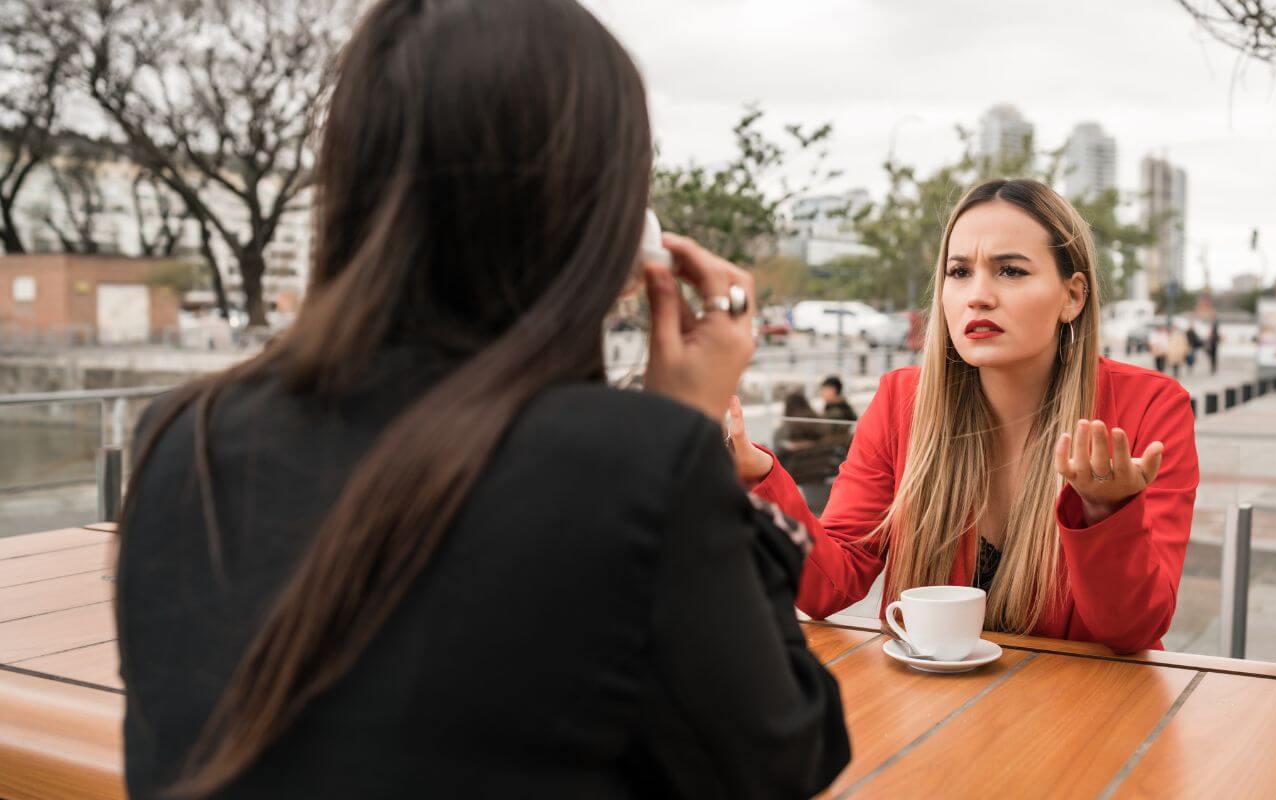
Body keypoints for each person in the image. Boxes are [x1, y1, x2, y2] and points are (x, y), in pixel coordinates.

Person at [114, 1, 848, 797]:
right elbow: (784, 758)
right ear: (599, 211)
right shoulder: (633, 465)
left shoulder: (179, 437)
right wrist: (693, 432)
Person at [726, 179, 1199, 654]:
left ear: (1072, 297)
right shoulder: (900, 402)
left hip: (1089, 713)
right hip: (934, 710)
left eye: (1010, 271)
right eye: (959, 272)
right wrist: (755, 470)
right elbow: (831, 585)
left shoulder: (1149, 408)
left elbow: (1132, 630)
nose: (979, 295)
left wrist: (1106, 512)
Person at [774, 391, 830, 455]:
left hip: (792, 462)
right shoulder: (818, 422)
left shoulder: (785, 429)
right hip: (821, 461)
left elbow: (777, 451)